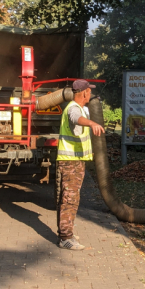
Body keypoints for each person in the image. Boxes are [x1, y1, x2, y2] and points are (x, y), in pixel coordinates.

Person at [56, 79, 105, 250]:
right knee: (70, 198)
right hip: (71, 162)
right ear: (84, 92)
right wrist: (92, 123)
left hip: (75, 161)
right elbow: (75, 119)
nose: (90, 94)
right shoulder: (73, 109)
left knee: (71, 197)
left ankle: (66, 232)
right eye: (89, 91)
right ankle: (65, 238)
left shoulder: (79, 108)